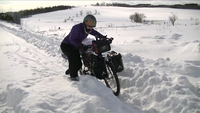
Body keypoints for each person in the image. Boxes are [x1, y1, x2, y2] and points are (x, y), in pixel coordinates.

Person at [60, 14, 106, 81]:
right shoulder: (76, 28)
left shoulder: (88, 29)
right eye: (89, 26)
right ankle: (73, 77)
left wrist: (102, 37)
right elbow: (71, 39)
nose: (90, 28)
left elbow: (95, 33)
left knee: (79, 63)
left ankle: (70, 70)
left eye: (92, 27)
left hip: (75, 46)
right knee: (74, 60)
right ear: (85, 22)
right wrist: (79, 45)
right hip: (67, 45)